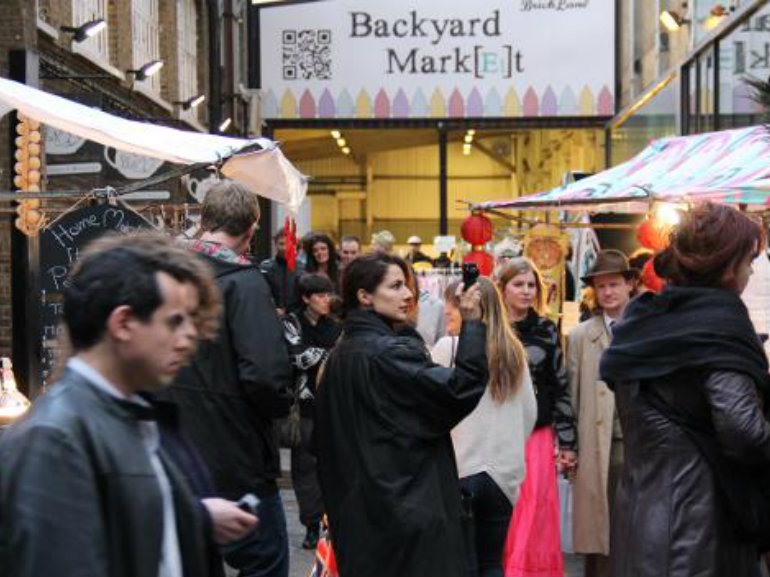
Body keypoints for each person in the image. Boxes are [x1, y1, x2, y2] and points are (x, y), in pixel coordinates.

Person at [0, 231, 256, 577]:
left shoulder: (140, 417)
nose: (190, 338)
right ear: (123, 323)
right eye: (175, 321)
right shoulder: (54, 438)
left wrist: (192, 516)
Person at [601, 203, 770, 577]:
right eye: (748, 260)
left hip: (638, 519)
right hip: (699, 530)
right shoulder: (719, 323)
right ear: (728, 266)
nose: (752, 270)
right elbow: (741, 427)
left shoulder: (643, 319)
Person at [315, 253, 489, 577]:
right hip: (407, 512)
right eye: (395, 286)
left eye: (407, 285)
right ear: (364, 296)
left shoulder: (339, 353)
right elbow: (461, 388)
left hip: (360, 515)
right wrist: (473, 323)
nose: (408, 295)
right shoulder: (387, 353)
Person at [165, 181, 293, 577]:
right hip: (237, 459)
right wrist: (282, 405)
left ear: (204, 220)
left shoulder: (165, 276)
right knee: (265, 560)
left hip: (177, 456)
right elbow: (267, 378)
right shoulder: (245, 283)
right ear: (251, 229)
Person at [432, 277, 536, 577]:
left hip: (460, 468)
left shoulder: (448, 347)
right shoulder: (514, 351)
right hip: (503, 474)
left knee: (460, 563)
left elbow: (432, 407)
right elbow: (529, 413)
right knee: (492, 563)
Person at [498, 257, 578, 577]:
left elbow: (560, 386)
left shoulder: (546, 328)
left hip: (537, 435)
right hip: (497, 435)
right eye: (519, 284)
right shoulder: (489, 329)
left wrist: (570, 443)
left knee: (533, 511)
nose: (527, 291)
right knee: (505, 511)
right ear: (502, 289)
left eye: (532, 285)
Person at [567, 249, 637, 577]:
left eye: (614, 285)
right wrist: (570, 445)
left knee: (637, 524)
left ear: (630, 285)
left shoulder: (647, 329)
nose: (608, 292)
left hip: (639, 443)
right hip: (596, 443)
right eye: (602, 286)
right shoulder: (581, 335)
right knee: (599, 529)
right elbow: (571, 394)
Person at [280, 274, 342, 551]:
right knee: (304, 469)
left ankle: (330, 522)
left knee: (333, 466)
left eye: (328, 294)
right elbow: (297, 356)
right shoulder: (292, 322)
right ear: (306, 298)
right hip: (304, 407)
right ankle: (311, 524)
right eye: (319, 295)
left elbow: (342, 355)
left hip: (332, 405)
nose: (326, 300)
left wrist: (321, 355)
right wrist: (327, 354)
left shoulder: (336, 324)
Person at [260, 229, 302, 315]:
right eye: (281, 244)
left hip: (297, 317)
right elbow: (261, 294)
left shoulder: (302, 268)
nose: (285, 248)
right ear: (275, 245)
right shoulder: (265, 267)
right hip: (271, 315)